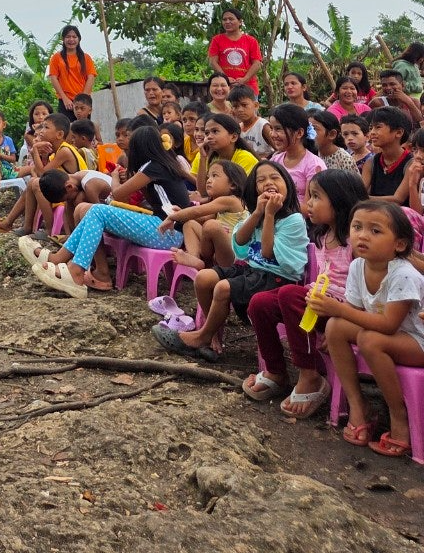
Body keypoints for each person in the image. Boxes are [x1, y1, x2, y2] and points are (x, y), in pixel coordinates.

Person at [152, 162, 309, 361]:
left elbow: (268, 254)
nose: (268, 182)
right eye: (261, 180)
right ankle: (213, 334)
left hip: (277, 278)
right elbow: (240, 243)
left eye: (275, 177)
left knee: (223, 287)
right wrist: (258, 213)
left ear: (287, 184)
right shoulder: (258, 215)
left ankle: (202, 336)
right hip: (253, 271)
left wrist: (269, 215)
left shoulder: (293, 220)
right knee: (204, 278)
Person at [244, 169, 366, 417]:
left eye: (316, 197)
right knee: (260, 302)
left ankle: (310, 375)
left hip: (344, 310)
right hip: (318, 301)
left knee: (290, 294)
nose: (308, 203)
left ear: (340, 200)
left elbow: (367, 291)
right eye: (309, 196)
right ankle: (276, 371)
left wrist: (340, 325)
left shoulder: (356, 242)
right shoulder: (323, 234)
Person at [25, 126, 193, 297]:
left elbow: (118, 193)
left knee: (97, 211)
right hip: (165, 229)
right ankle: (60, 259)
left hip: (168, 233)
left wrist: (114, 177)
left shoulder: (153, 168)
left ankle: (76, 270)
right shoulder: (160, 165)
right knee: (94, 210)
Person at [313, 201, 424, 456]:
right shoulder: (358, 266)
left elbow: (388, 325)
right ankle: (358, 406)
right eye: (357, 227)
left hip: (417, 340)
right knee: (336, 327)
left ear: (399, 244)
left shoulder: (403, 274)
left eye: (375, 231)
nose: (362, 235)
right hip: (390, 336)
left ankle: (399, 417)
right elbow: (354, 311)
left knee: (369, 339)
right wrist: (331, 319)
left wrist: (338, 309)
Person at [165, 159, 246, 271]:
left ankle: (203, 261)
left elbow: (197, 212)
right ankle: (194, 258)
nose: (209, 180)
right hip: (218, 253)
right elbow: (201, 218)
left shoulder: (231, 200)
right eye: (208, 177)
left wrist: (173, 217)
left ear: (232, 185)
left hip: (233, 257)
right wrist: (182, 214)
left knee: (212, 225)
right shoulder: (220, 205)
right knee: (190, 224)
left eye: (215, 176)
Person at [268, 103, 326, 201]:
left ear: (299, 133)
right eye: (271, 128)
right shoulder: (275, 161)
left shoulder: (314, 166)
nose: (273, 134)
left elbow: (309, 206)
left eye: (278, 129)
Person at [192, 113, 258, 195]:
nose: (209, 137)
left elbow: (241, 193)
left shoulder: (245, 158)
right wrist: (203, 157)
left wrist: (205, 200)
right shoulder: (213, 159)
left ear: (233, 137)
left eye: (215, 131)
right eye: (207, 133)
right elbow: (203, 192)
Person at [362, 107, 414, 202]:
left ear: (398, 132)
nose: (372, 132)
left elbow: (398, 200)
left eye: (378, 127)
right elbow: (360, 192)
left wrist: (362, 199)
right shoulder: (371, 163)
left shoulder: (410, 164)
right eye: (371, 128)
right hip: (373, 209)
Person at [208, 6, 263, 94]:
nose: (227, 22)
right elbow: (213, 62)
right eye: (224, 19)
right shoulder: (217, 40)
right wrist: (225, 78)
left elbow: (257, 64)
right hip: (225, 88)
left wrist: (244, 79)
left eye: (231, 19)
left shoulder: (251, 40)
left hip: (248, 88)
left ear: (240, 22)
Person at [47, 25, 96, 119]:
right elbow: (53, 78)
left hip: (83, 102)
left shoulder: (86, 58)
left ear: (79, 39)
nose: (71, 39)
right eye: (68, 37)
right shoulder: (56, 58)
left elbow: (91, 77)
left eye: (74, 37)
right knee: (65, 127)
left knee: (83, 127)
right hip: (65, 102)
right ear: (63, 39)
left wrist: (82, 99)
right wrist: (65, 98)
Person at [227, 85, 274, 159]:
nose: (240, 110)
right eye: (235, 106)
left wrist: (267, 159)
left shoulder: (262, 126)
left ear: (256, 105)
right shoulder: (238, 129)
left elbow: (279, 149)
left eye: (244, 105)